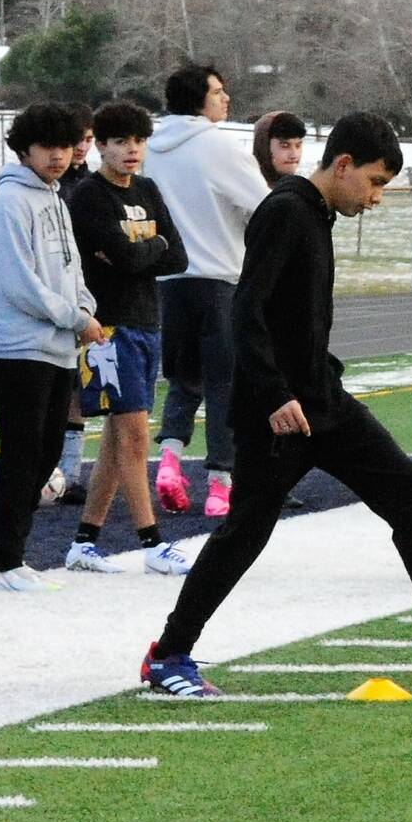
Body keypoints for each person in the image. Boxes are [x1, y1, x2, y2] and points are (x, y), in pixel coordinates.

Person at [140, 113, 412, 698]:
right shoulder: (286, 210)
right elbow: (246, 311)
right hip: (279, 412)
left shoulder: (315, 213)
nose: (376, 198)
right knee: (245, 531)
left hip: (322, 400)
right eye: (374, 182)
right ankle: (168, 655)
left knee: (410, 491)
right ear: (342, 165)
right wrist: (273, 394)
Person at [62, 101, 193, 577]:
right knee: (134, 436)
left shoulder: (149, 189)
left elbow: (175, 256)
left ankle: (83, 542)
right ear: (100, 146)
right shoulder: (90, 197)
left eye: (138, 141)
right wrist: (144, 250)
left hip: (147, 322)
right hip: (107, 328)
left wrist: (142, 250)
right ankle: (152, 542)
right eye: (120, 142)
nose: (131, 150)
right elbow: (130, 257)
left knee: (119, 443)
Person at [0, 102, 102, 592]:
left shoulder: (53, 197)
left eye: (65, 146)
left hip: (57, 347)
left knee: (47, 450)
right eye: (47, 147)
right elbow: (19, 283)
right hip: (19, 348)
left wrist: (85, 307)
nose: (58, 156)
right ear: (24, 149)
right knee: (22, 454)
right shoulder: (10, 202)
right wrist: (75, 317)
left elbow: (70, 269)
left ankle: (15, 554)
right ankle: (4, 561)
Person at [143, 64, 271, 517]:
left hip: (169, 282)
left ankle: (170, 459)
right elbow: (263, 206)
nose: (226, 98)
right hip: (219, 278)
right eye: (218, 91)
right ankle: (220, 482)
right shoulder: (219, 145)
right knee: (225, 385)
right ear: (199, 100)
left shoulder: (151, 150)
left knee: (183, 379)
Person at [51, 103, 97, 508]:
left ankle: (72, 473)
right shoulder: (49, 186)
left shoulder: (91, 183)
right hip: (53, 299)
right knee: (54, 389)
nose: (82, 147)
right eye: (75, 139)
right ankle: (49, 472)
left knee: (83, 389)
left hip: (87, 297)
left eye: (88, 139)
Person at [252, 110, 306, 186]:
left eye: (298, 146)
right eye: (285, 146)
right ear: (264, 146)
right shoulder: (248, 189)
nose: (294, 155)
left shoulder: (299, 190)